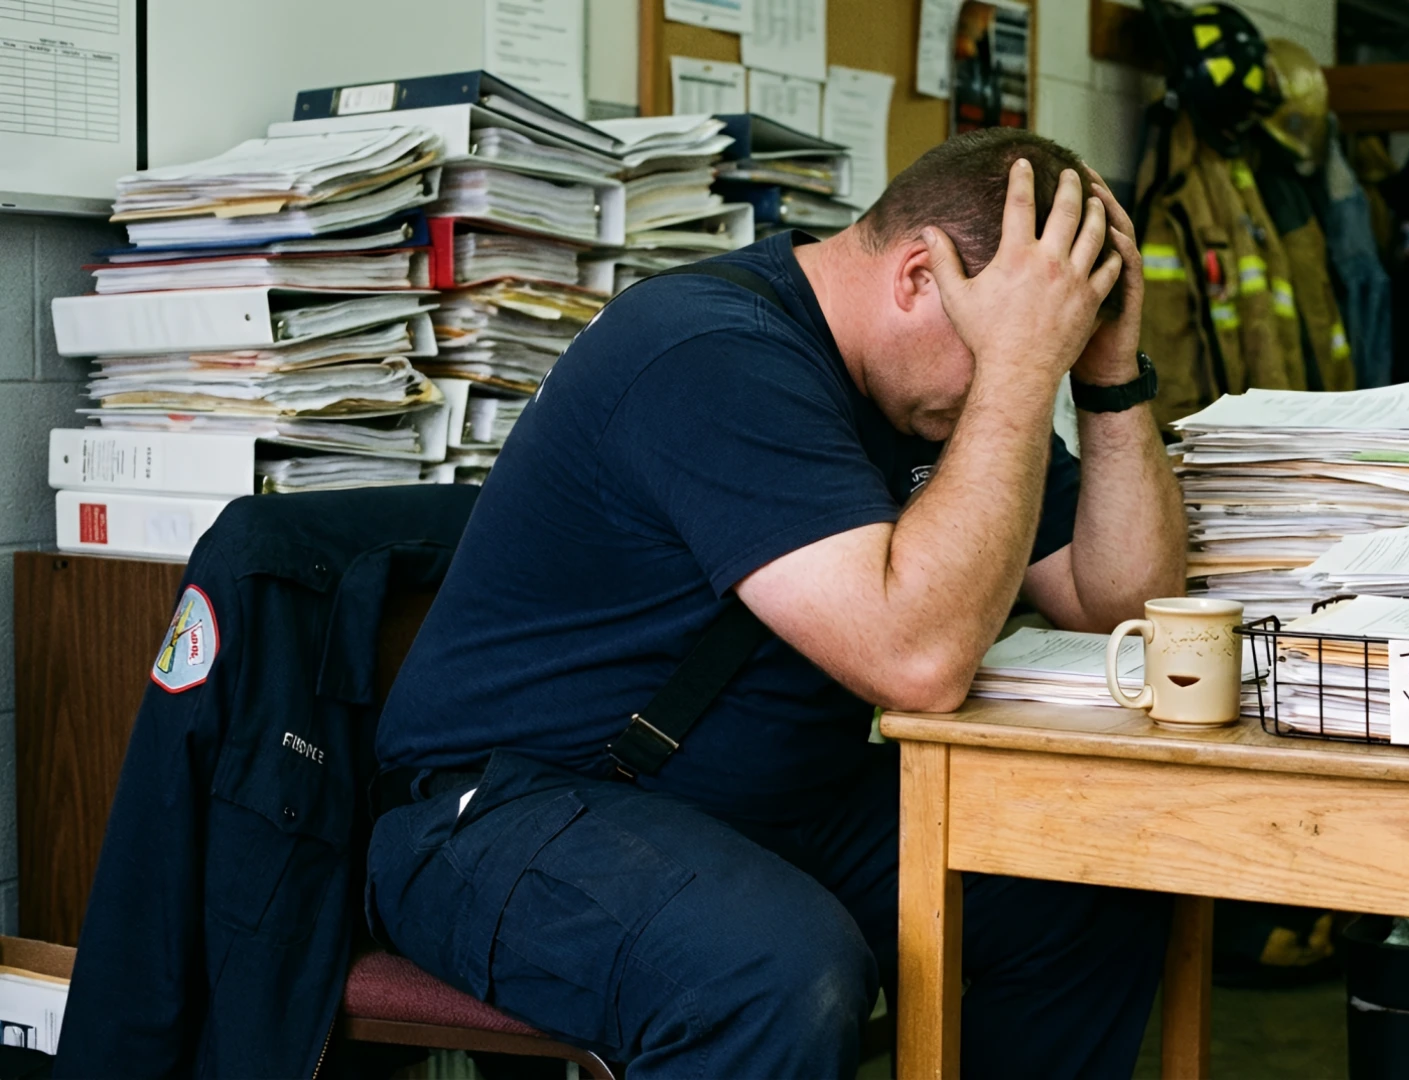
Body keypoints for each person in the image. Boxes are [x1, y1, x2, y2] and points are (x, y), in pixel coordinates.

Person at [368, 128, 1188, 1077]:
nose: (1014, 390)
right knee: (776, 971)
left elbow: (1124, 605)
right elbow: (915, 662)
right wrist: (1011, 374)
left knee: (1089, 882)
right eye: (1016, 348)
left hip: (763, 809)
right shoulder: (710, 353)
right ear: (920, 277)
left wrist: (1107, 375)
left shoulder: (941, 397)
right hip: (509, 813)